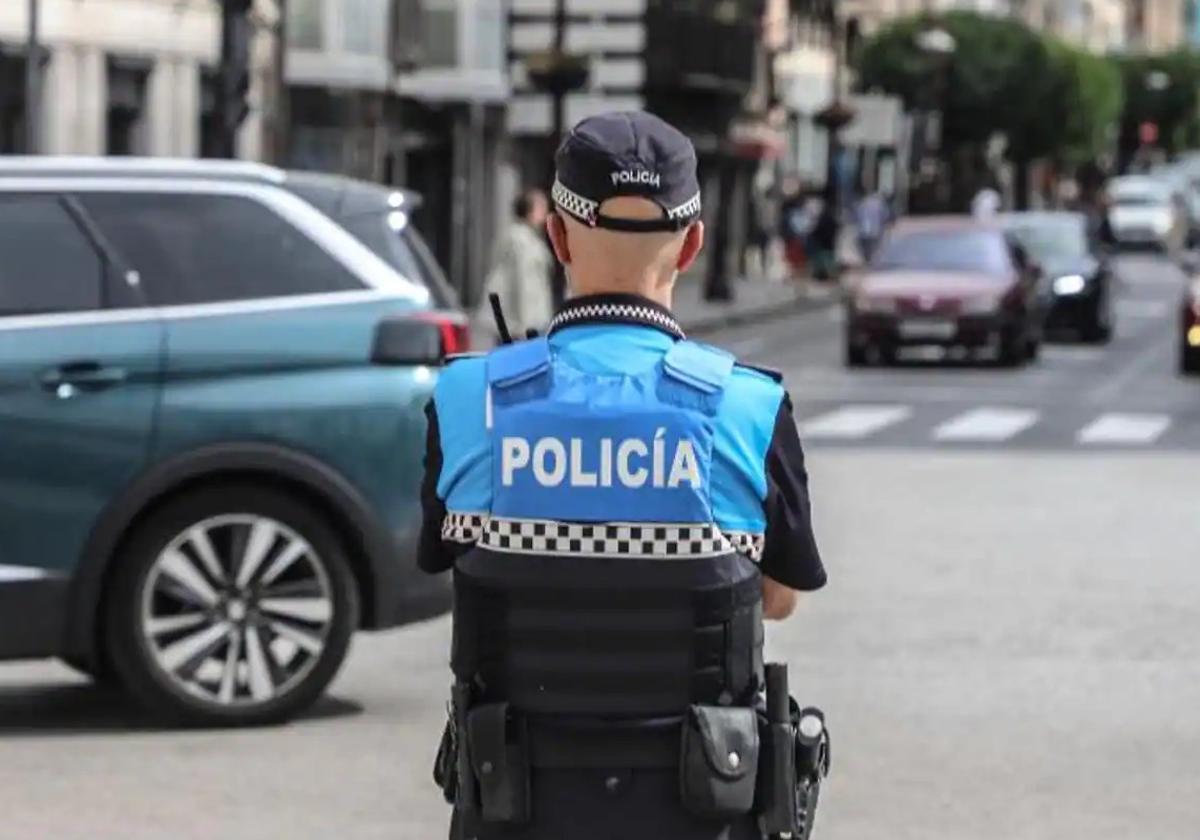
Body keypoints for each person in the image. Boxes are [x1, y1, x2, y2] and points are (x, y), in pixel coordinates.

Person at [420, 111, 828, 840]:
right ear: (694, 244)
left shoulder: (469, 398)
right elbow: (777, 598)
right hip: (702, 806)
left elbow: (455, 564)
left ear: (557, 236)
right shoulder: (749, 406)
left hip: (514, 805)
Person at [479, 188, 555, 341]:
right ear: (529, 211)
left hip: (514, 321)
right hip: (519, 323)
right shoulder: (521, 240)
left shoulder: (522, 236)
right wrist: (525, 326)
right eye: (541, 207)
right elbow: (523, 283)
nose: (545, 212)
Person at [854, 188, 890, 264]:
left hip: (863, 229)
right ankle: (870, 259)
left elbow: (856, 216)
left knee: (864, 246)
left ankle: (867, 259)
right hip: (876, 229)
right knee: (873, 246)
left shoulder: (862, 203)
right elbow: (885, 216)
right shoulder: (880, 204)